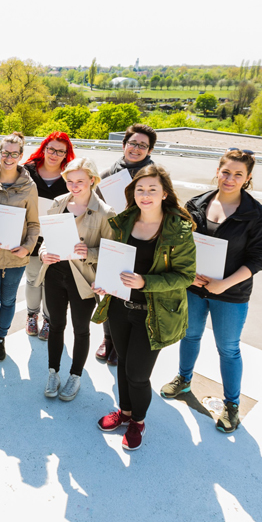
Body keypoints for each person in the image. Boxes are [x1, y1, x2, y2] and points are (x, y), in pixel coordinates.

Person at [160, 149, 262, 433]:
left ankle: (232, 405)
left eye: (238, 174)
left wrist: (224, 284)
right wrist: (188, 275)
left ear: (248, 178)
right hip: (195, 288)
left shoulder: (257, 216)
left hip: (231, 294)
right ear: (217, 171)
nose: (230, 178)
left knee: (228, 348)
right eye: (226, 172)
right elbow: (181, 243)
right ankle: (184, 379)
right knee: (190, 335)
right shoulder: (195, 204)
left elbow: (259, 257)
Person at [92, 164, 195, 451]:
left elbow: (185, 276)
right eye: (140, 189)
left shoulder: (178, 229)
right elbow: (114, 261)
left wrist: (144, 282)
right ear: (132, 192)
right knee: (123, 365)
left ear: (164, 194)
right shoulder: (124, 221)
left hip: (154, 314)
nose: (145, 195)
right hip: (119, 308)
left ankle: (138, 420)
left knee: (138, 374)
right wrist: (105, 282)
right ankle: (124, 412)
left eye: (152, 189)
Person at [36, 157, 115, 402]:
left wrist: (89, 252)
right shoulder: (59, 202)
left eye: (80, 181)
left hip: (84, 280)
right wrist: (42, 253)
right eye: (70, 181)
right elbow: (47, 238)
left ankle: (75, 375)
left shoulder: (105, 212)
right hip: (55, 274)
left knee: (81, 330)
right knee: (55, 325)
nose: (74, 186)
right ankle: (53, 372)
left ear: (92, 180)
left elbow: (113, 252)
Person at [95, 123, 157, 367]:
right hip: (113, 239)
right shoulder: (109, 173)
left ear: (149, 150)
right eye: (132, 143)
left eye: (142, 145)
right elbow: (97, 206)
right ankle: (108, 339)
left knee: (133, 292)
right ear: (124, 145)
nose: (136, 148)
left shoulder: (154, 175)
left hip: (141, 241)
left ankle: (126, 343)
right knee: (110, 291)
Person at [0, 132, 40, 362]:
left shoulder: (29, 187)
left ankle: (1, 338)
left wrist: (27, 248)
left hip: (16, 258)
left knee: (9, 300)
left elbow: (34, 224)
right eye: (5, 152)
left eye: (14, 153)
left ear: (21, 156)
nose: (9, 157)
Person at [22, 131, 75, 341]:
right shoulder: (27, 171)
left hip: (58, 236)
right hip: (31, 234)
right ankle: (31, 315)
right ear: (44, 148)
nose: (54, 154)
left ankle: (49, 320)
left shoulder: (69, 175)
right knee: (34, 278)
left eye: (60, 151)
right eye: (51, 149)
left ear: (66, 154)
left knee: (52, 282)